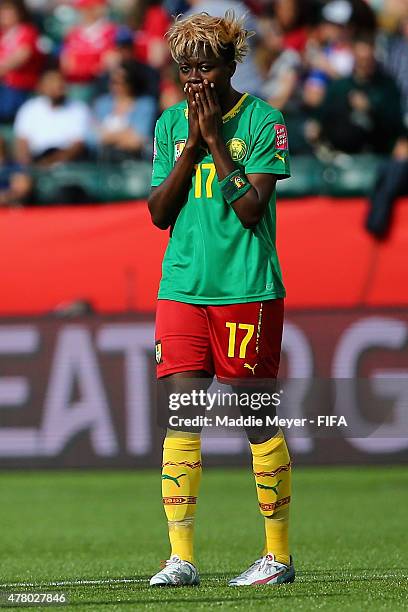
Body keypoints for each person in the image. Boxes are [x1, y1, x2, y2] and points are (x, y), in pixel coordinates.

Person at [148, 12, 293, 587]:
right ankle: (181, 557)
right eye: (186, 69)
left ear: (231, 64)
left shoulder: (263, 120)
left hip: (245, 288)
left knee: (258, 420)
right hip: (182, 287)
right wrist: (189, 149)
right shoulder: (166, 126)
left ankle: (277, 555)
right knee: (180, 419)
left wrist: (215, 144)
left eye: (205, 66)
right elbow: (160, 214)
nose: (196, 80)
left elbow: (251, 209)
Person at [14, 68, 91, 166]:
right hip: (36, 159)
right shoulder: (29, 108)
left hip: (69, 162)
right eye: (51, 83)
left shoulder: (79, 109)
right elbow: (22, 142)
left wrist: (51, 162)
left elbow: (78, 145)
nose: (56, 87)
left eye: (59, 83)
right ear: (42, 87)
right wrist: (27, 165)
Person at [91, 59, 156, 161]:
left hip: (134, 163)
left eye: (121, 81)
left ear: (131, 83)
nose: (115, 86)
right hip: (104, 163)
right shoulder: (102, 104)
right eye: (113, 81)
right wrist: (125, 134)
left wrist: (108, 137)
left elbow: (138, 141)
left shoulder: (145, 105)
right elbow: (93, 137)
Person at [0, 0, 42, 122]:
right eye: (3, 12)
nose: (5, 15)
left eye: (10, 12)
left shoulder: (27, 32)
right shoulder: (3, 34)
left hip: (20, 87)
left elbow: (21, 57)